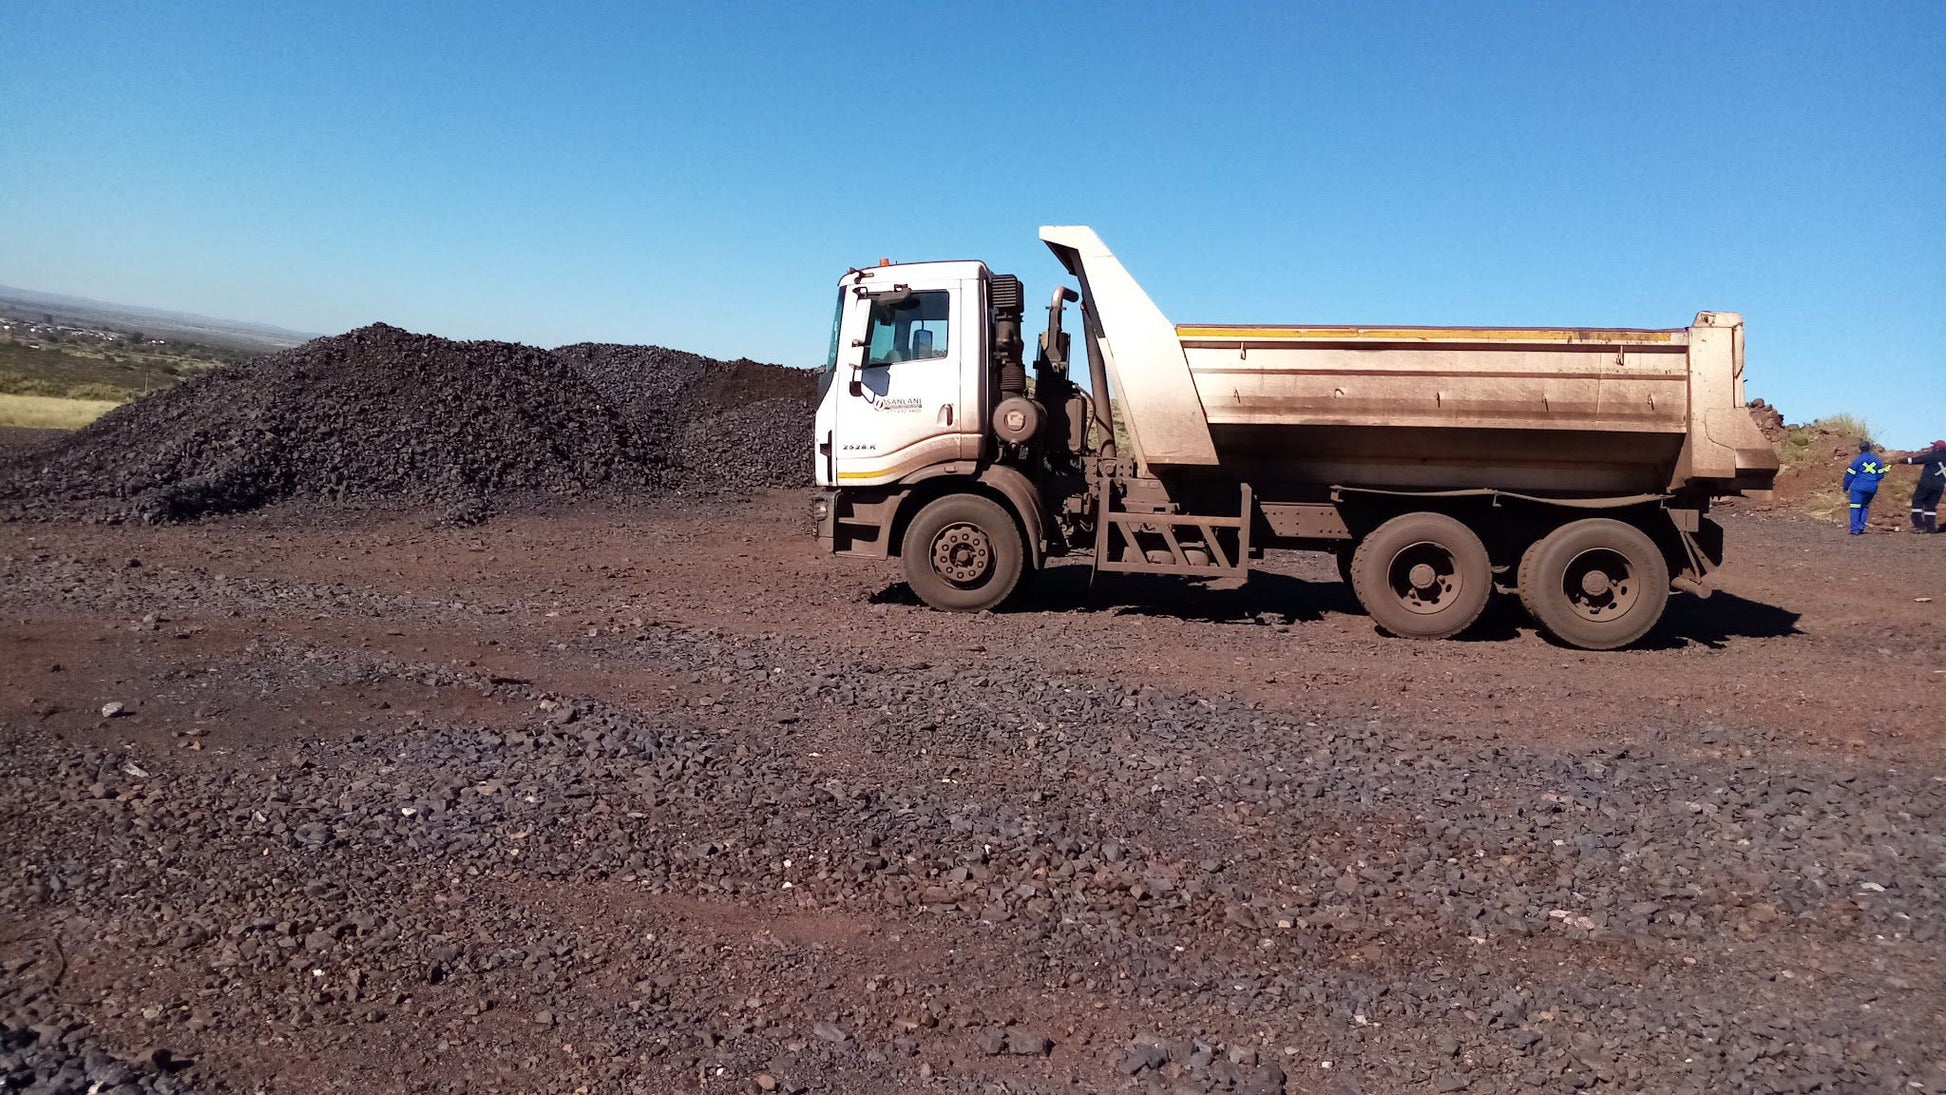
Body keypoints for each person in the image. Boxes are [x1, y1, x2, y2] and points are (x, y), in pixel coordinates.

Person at [1842, 441, 1891, 536]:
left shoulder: (1857, 460)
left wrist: (1846, 486)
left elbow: (1850, 475)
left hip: (1858, 487)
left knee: (1855, 507)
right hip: (1872, 487)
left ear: (1860, 448)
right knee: (1864, 506)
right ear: (1869, 448)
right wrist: (1872, 480)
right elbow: (1881, 475)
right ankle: (1860, 527)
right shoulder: (1877, 460)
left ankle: (1855, 529)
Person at [1899, 440, 1946, 533]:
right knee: (1931, 506)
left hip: (1926, 484)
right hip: (1939, 486)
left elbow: (1914, 460)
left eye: (1934, 446)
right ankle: (1930, 528)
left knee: (1917, 500)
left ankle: (1919, 524)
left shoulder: (1932, 456)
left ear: (1936, 448)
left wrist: (1900, 461)